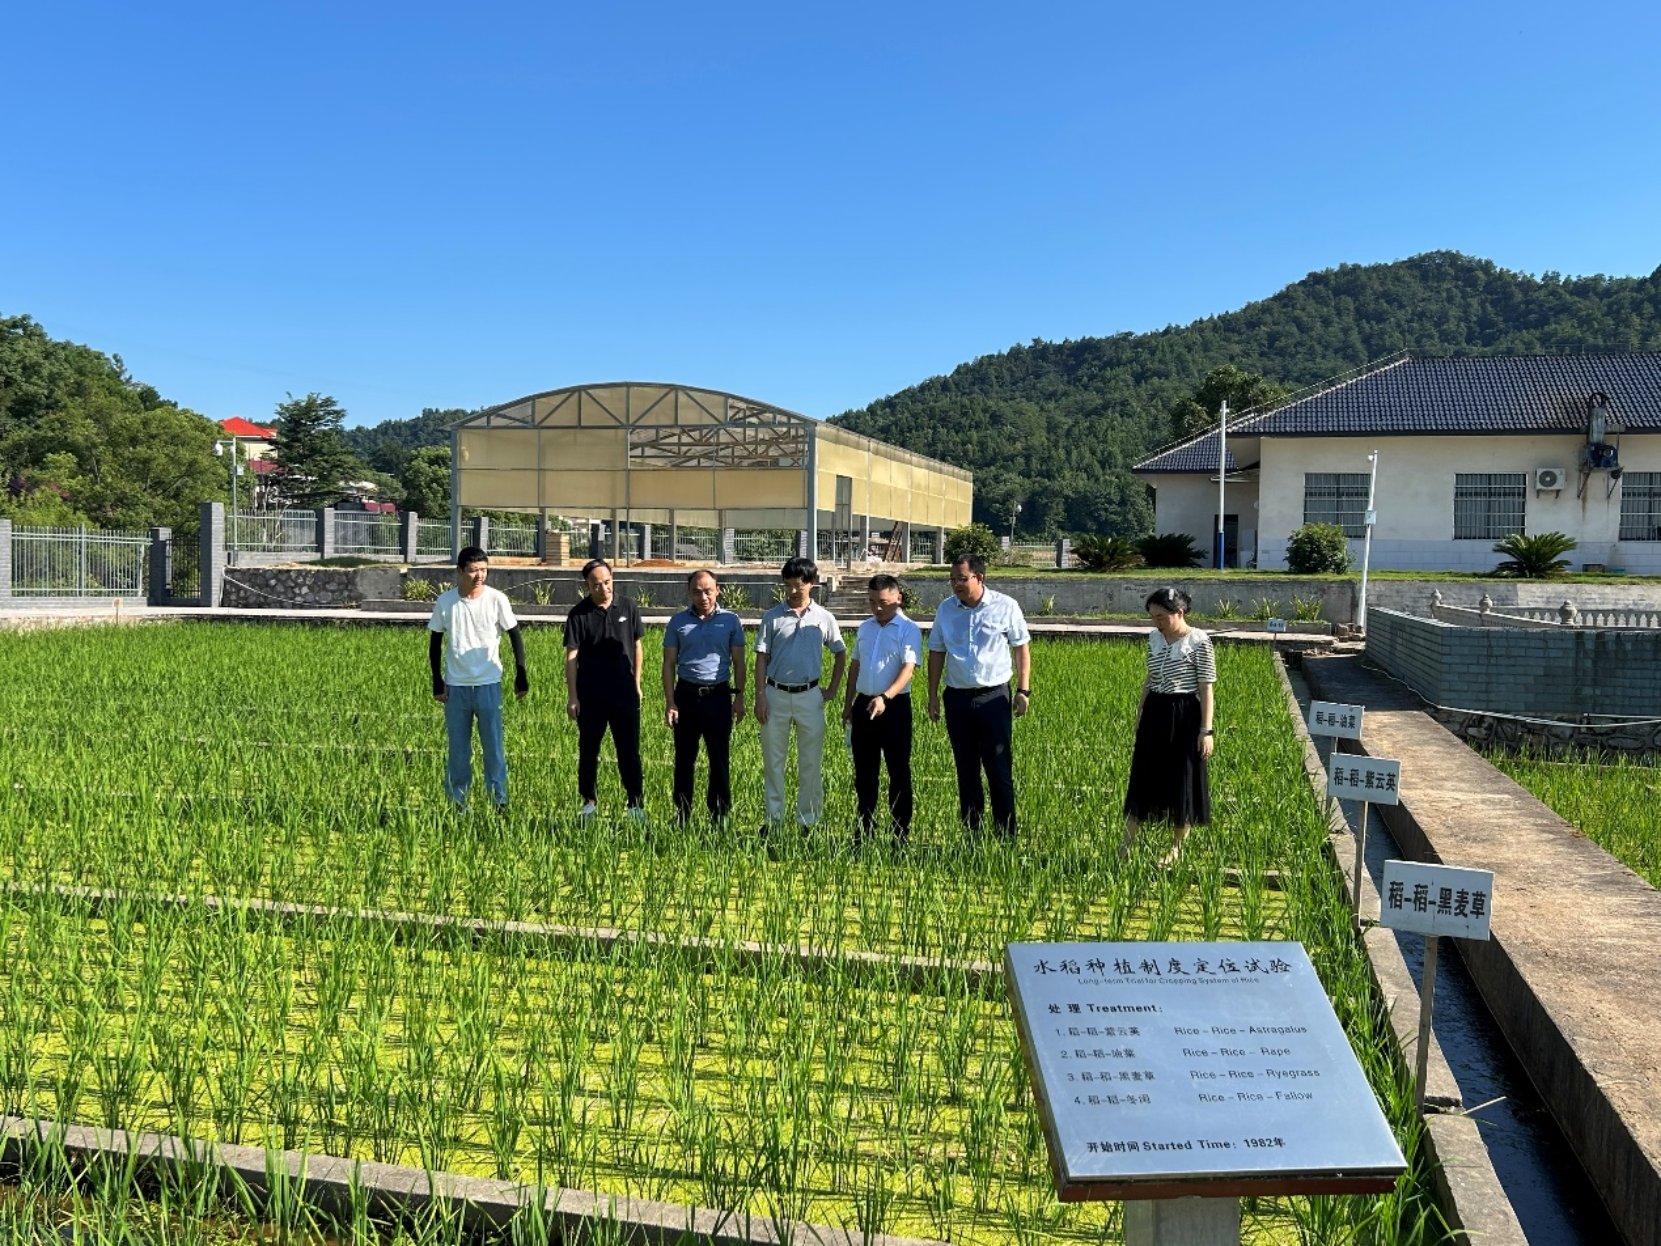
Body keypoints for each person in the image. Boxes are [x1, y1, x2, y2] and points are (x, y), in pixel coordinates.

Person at [926, 554, 1031, 837]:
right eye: (952, 579)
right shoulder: (946, 609)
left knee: (998, 768)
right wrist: (932, 695)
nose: (955, 585)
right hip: (957, 699)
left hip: (993, 698)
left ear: (979, 577)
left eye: (961, 579)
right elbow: (936, 651)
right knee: (966, 769)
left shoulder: (1005, 606)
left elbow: (1021, 648)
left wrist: (1023, 690)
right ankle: (972, 834)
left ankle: (1005, 834)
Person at [428, 546, 528, 810]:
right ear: (460, 571)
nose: (479, 575)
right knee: (458, 750)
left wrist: (521, 674)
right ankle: (458, 802)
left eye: (484, 570)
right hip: (456, 687)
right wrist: (437, 681)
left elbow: (514, 635)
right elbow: (435, 642)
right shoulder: (446, 602)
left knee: (493, 747)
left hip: (489, 685)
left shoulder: (497, 599)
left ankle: (499, 801)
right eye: (473, 570)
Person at [1123, 586, 1216, 863]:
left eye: (1162, 617)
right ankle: (1127, 843)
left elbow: (1206, 688)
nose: (1157, 622)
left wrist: (1206, 730)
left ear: (1180, 612)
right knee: (1144, 773)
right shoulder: (1154, 638)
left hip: (1184, 713)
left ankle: (1176, 847)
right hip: (1155, 709)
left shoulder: (1199, 641)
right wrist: (1140, 711)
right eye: (1153, 617)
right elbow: (1150, 678)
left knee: (1182, 777)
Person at [754, 556, 846, 831]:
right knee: (773, 762)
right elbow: (761, 658)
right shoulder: (772, 617)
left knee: (810, 762)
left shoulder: (824, 618)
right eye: (788, 585)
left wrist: (832, 689)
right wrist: (760, 696)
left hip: (810, 695)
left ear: (812, 583)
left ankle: (809, 821)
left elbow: (840, 653)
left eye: (799, 585)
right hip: (775, 695)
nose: (793, 591)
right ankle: (773, 821)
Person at [563, 558, 645, 823]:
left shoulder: (628, 607)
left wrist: (636, 683)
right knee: (589, 750)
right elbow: (572, 656)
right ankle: (589, 802)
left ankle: (635, 804)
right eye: (597, 585)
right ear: (587, 585)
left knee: (629, 750)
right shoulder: (578, 614)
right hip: (591, 695)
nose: (604, 589)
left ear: (613, 579)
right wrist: (573, 697)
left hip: (624, 692)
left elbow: (637, 646)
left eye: (607, 582)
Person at [662, 569, 746, 822]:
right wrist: (670, 702)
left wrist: (739, 698)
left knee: (718, 758)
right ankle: (682, 812)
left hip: (718, 696)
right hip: (686, 696)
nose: (703, 597)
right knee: (684, 758)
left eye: (708, 591)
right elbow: (669, 664)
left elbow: (739, 662)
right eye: (697, 592)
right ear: (689, 593)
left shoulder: (730, 621)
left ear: (717, 590)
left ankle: (719, 814)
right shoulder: (678, 622)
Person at [842, 574, 921, 841]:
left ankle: (900, 832)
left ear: (898, 598)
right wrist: (848, 704)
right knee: (864, 772)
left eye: (883, 602)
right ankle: (864, 829)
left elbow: (908, 668)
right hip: (864, 705)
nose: (877, 608)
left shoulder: (908, 629)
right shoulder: (865, 628)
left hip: (894, 707)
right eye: (872, 602)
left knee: (898, 771)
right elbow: (855, 665)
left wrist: (885, 698)